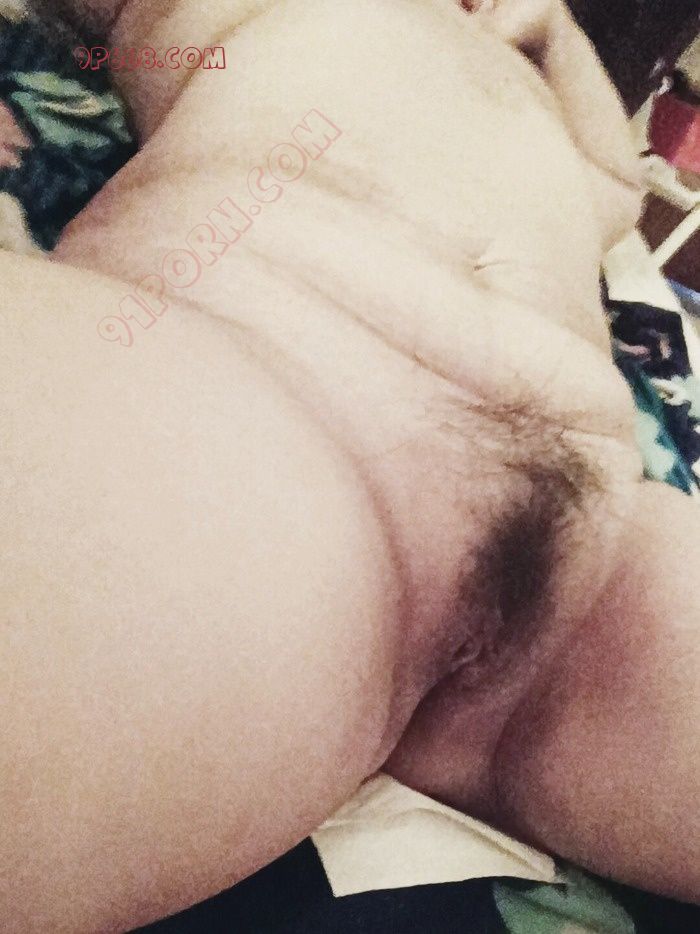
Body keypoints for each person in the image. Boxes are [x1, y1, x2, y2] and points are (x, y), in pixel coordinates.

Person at [1, 1, 698, 930]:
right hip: (274, 415)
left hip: (596, 558)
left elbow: (613, 183)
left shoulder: (513, 59)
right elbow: (136, 33)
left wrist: (555, 36)